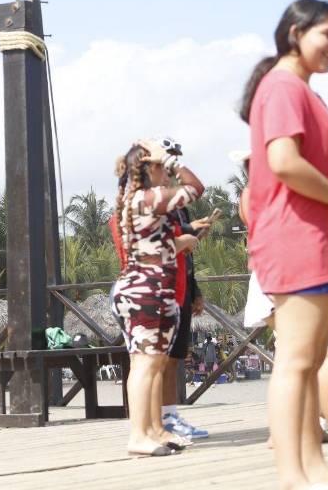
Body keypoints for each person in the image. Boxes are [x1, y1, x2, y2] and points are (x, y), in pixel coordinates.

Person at [240, 0, 328, 490]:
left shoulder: (301, 89)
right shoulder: (281, 86)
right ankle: (292, 475)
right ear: (296, 31)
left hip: (316, 239)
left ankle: (313, 468)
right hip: (296, 239)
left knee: (309, 362)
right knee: (297, 361)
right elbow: (283, 162)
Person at [111, 138, 204, 456]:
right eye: (163, 167)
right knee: (145, 365)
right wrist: (175, 163)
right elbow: (195, 187)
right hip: (145, 292)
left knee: (151, 364)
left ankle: (151, 430)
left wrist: (183, 240)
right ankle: (139, 435)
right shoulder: (148, 198)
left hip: (149, 290)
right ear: (150, 167)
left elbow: (156, 248)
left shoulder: (139, 200)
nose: (168, 171)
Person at [156, 137, 211, 441]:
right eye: (170, 159)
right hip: (158, 286)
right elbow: (161, 243)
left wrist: (195, 291)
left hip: (180, 284)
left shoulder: (174, 204)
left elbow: (183, 244)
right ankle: (156, 420)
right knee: (157, 359)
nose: (173, 165)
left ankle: (168, 415)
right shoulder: (152, 199)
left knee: (175, 356)